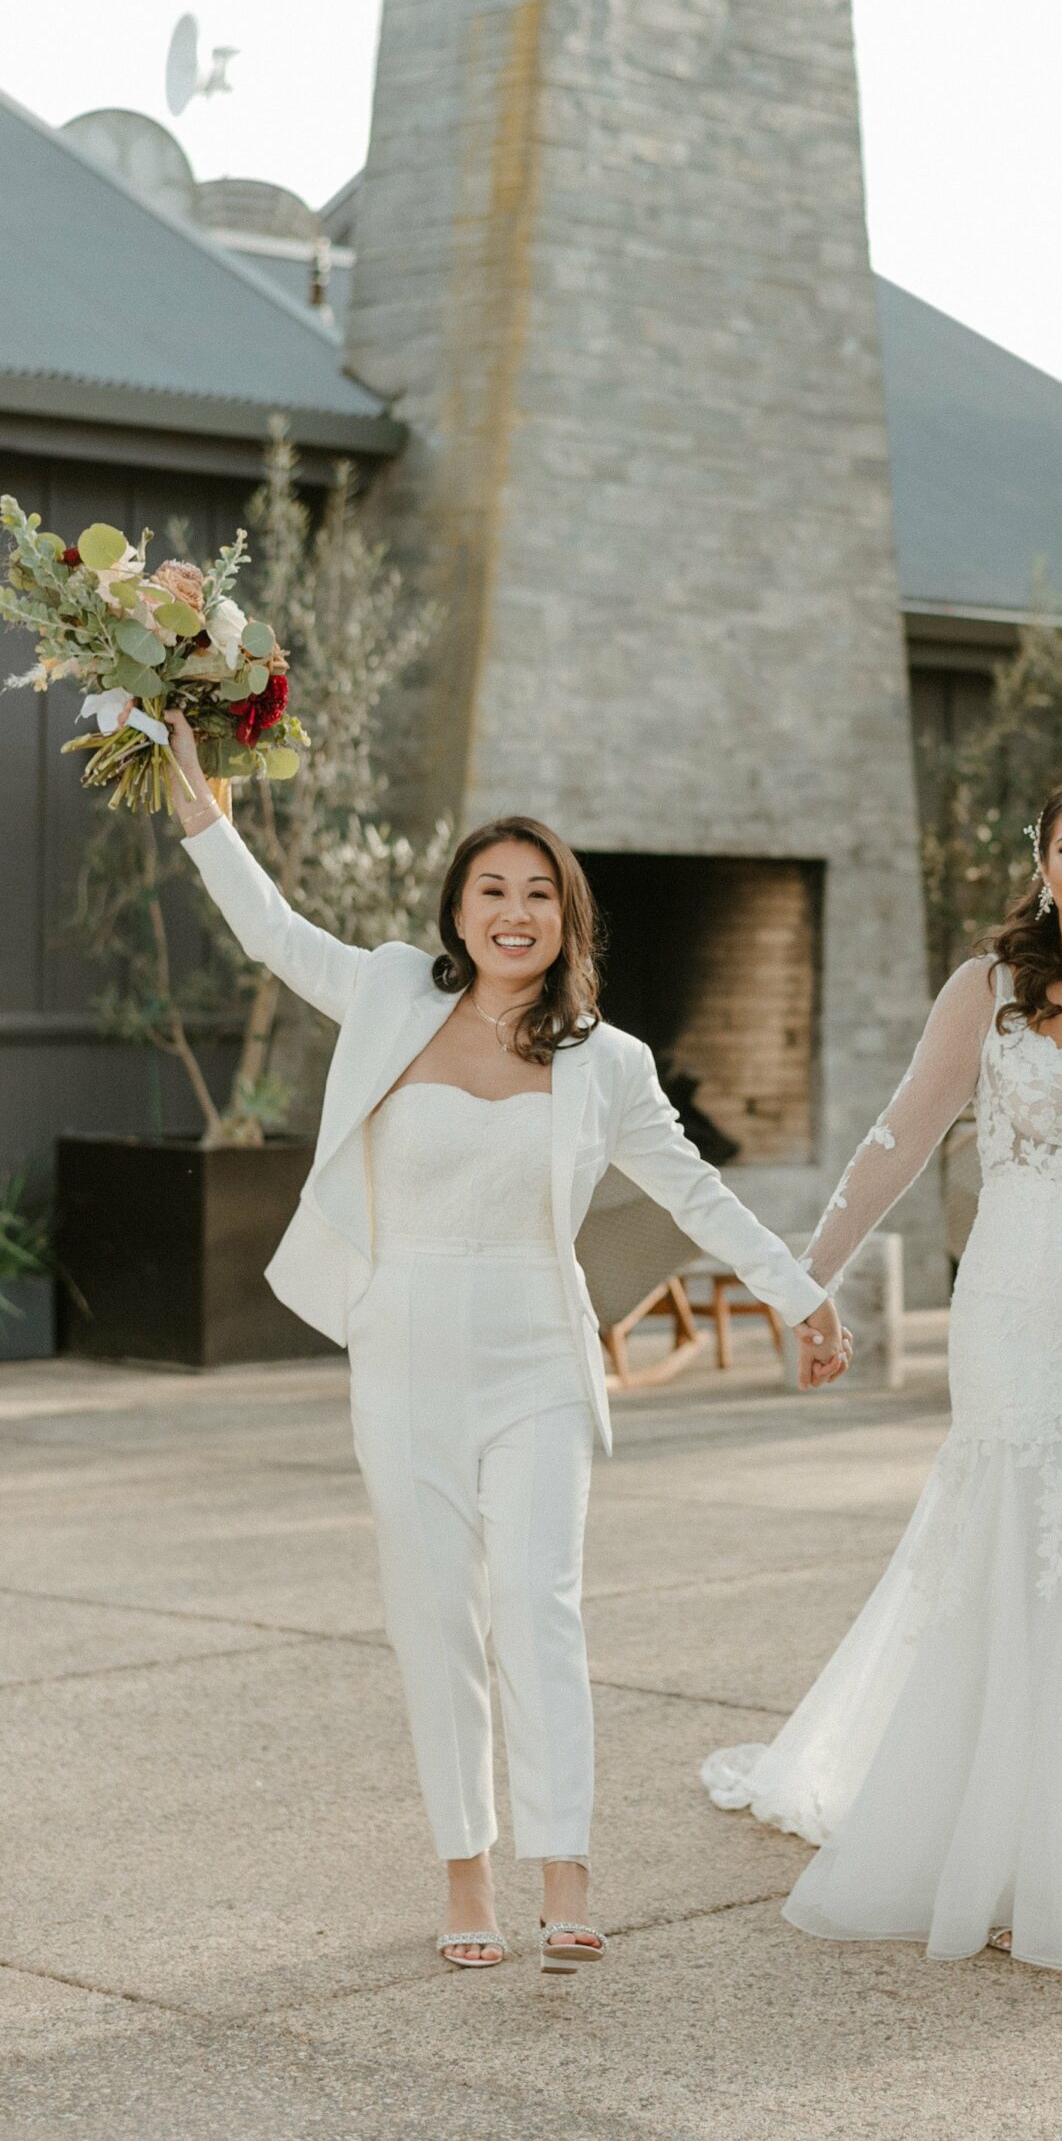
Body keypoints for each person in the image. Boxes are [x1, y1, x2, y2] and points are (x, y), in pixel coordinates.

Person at [162, 712, 849, 1974]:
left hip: (537, 1344)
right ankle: (465, 1870)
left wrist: (799, 1292)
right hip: (405, 1342)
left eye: (539, 893)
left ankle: (566, 1869)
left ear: (567, 920)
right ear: (458, 911)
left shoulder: (609, 1063)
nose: (513, 911)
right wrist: (199, 799)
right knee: (435, 1615)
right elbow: (269, 929)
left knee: (539, 1607)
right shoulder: (385, 993)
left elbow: (698, 1192)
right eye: (492, 890)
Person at [704, 772, 1062, 1979]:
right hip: (1020, 1309)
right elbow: (897, 1138)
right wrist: (802, 1277)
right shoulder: (990, 993)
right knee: (1025, 1553)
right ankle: (1000, 1851)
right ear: (1044, 864)